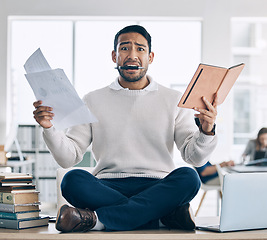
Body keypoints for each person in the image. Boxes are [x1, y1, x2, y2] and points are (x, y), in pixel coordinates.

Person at [33, 25, 218, 232]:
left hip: (158, 185)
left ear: (151, 57)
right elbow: (69, 158)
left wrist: (206, 131)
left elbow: (195, 158)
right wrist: (49, 128)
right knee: (72, 180)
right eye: (124, 48)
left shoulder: (174, 100)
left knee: (190, 177)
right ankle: (161, 217)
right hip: (107, 185)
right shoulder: (93, 99)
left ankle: (97, 220)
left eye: (140, 49)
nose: (132, 55)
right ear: (114, 56)